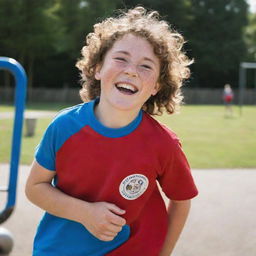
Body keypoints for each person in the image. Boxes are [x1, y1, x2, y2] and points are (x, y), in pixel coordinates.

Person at [25, 6, 198, 256]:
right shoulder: (64, 127)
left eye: (146, 66)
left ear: (156, 86)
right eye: (121, 58)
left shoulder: (164, 144)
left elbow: (181, 201)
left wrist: (163, 253)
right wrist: (85, 213)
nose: (130, 70)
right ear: (98, 68)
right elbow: (35, 187)